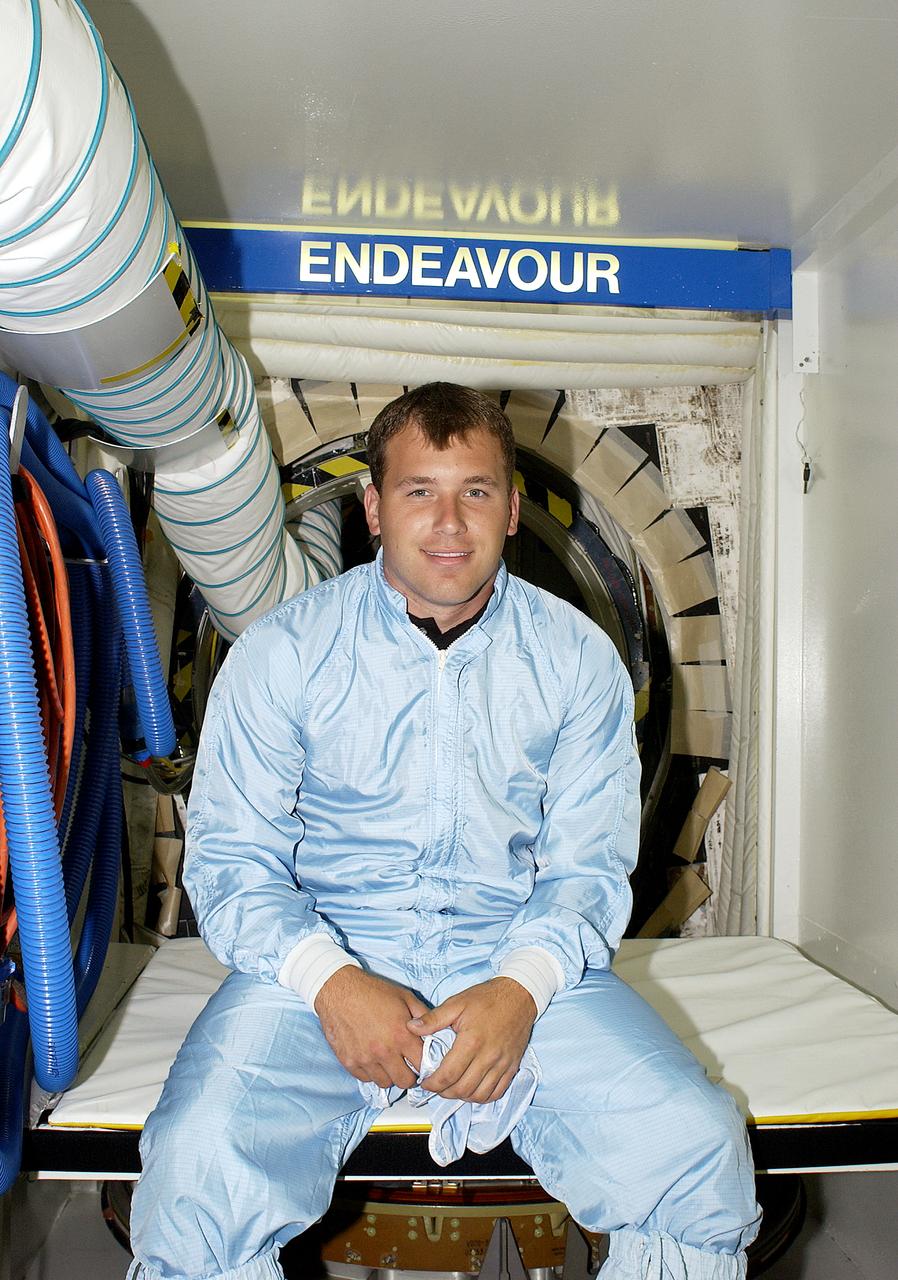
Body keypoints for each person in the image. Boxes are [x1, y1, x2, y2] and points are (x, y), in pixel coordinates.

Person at [127, 383, 760, 1280]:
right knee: (196, 1171)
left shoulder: (578, 659)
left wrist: (520, 991)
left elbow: (588, 868)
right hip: (316, 968)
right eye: (421, 490)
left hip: (513, 960)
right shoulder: (284, 653)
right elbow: (234, 862)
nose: (450, 520)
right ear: (375, 508)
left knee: (696, 1152)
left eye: (476, 490)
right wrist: (331, 981)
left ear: (512, 507)